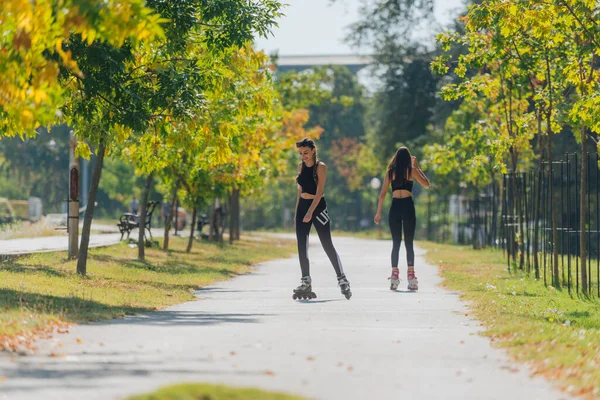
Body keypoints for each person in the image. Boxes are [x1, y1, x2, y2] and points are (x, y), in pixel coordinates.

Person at [293, 138, 351, 300]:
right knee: (302, 246)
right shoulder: (300, 167)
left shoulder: (321, 167)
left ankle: (342, 279)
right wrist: (297, 212)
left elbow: (319, 193)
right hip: (303, 206)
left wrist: (310, 212)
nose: (303, 156)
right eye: (301, 153)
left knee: (327, 244)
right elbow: (300, 192)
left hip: (318, 207)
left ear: (313, 151)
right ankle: (306, 281)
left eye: (306, 153)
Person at [374, 146, 430, 291]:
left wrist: (378, 213)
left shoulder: (390, 172)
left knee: (396, 243)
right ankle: (411, 278)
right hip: (408, 206)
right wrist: (416, 167)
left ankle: (394, 277)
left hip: (395, 207)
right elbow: (427, 184)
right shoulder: (411, 170)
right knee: (409, 243)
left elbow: (382, 193)